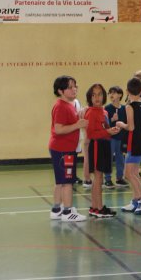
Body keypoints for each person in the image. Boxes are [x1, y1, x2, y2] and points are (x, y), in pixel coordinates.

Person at [49, 76, 89, 222]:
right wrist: (78, 125)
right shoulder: (61, 106)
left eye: (75, 86)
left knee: (60, 181)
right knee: (67, 181)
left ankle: (56, 209)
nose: (74, 89)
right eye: (70, 87)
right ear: (60, 91)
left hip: (63, 149)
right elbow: (58, 129)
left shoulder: (69, 105)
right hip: (63, 150)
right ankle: (67, 211)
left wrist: (79, 116)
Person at [84, 84, 122, 218]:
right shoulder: (91, 112)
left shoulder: (103, 111)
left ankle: (95, 207)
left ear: (104, 96)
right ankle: (99, 208)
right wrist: (107, 132)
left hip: (105, 144)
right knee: (98, 178)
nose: (97, 97)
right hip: (96, 146)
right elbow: (91, 134)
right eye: (93, 95)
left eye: (99, 94)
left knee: (99, 178)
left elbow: (104, 128)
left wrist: (112, 130)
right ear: (90, 97)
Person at [121, 77, 141, 215]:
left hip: (132, 143)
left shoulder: (129, 107)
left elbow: (131, 127)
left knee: (128, 174)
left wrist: (121, 124)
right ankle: (135, 201)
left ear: (127, 90)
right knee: (134, 173)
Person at [104, 86, 127, 189]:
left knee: (120, 158)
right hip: (110, 138)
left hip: (120, 137)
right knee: (108, 158)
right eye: (110, 93)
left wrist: (122, 127)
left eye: (114, 92)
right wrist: (112, 120)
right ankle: (107, 179)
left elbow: (126, 122)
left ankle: (119, 178)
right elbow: (104, 124)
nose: (111, 95)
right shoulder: (107, 108)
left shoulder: (124, 108)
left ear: (120, 95)